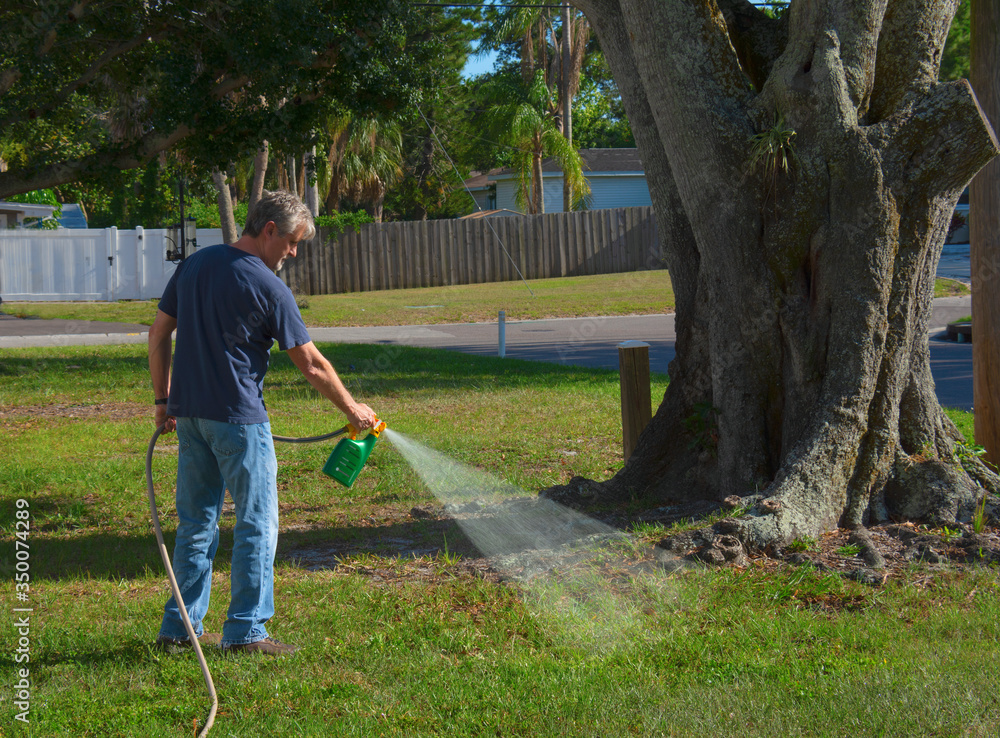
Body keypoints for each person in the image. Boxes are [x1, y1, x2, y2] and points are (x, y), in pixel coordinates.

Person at [147, 190, 375, 656]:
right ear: (269, 230)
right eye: (292, 242)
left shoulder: (193, 265)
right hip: (238, 421)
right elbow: (310, 363)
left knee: (196, 523)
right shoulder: (269, 287)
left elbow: (158, 334)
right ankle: (246, 632)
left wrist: (162, 399)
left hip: (188, 417)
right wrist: (354, 411)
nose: (293, 253)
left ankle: (179, 631)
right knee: (256, 522)